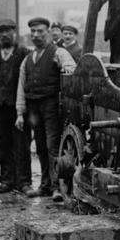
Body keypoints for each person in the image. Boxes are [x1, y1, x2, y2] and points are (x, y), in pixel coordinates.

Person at [15, 17, 77, 201]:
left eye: (40, 31)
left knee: (52, 146)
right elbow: (21, 86)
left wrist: (65, 68)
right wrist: (20, 113)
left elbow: (71, 70)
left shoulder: (59, 53)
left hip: (52, 106)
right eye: (33, 32)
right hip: (33, 107)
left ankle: (58, 187)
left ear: (48, 32)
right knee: (40, 147)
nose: (36, 35)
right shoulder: (28, 59)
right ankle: (45, 185)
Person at [0, 19, 32, 194]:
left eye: (7, 31)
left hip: (18, 109)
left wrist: (24, 109)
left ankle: (24, 182)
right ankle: (7, 181)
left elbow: (29, 82)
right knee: (2, 145)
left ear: (14, 32)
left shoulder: (23, 53)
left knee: (21, 145)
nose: (4, 35)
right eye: (1, 31)